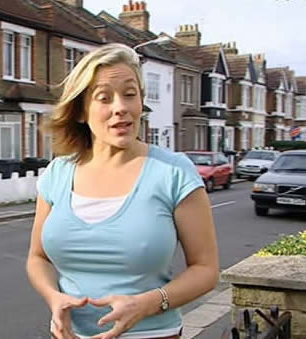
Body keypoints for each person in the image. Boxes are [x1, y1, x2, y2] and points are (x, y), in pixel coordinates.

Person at [25, 44, 219, 339]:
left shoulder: (174, 172)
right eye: (104, 98)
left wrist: (147, 304)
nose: (121, 107)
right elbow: (38, 258)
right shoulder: (57, 173)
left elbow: (206, 269)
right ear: (80, 111)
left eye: (130, 94)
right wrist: (54, 297)